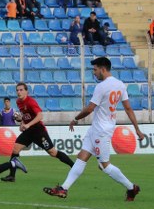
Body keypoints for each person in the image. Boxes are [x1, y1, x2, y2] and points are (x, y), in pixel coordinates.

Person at [43, 57, 145, 201]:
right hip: (96, 129)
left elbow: (90, 108)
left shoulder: (102, 86)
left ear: (103, 69)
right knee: (81, 158)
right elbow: (128, 108)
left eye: (95, 70)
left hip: (101, 131)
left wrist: (75, 119)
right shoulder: (120, 84)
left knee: (104, 166)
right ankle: (64, 188)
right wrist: (137, 129)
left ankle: (131, 187)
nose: (94, 73)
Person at [1, 82, 75, 182]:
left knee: (53, 152)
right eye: (17, 90)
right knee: (15, 149)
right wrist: (22, 123)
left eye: (21, 90)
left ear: (26, 91)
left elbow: (40, 116)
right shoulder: (19, 102)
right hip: (29, 131)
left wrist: (28, 124)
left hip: (38, 131)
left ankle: (74, 167)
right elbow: (25, 115)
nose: (19, 92)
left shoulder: (31, 102)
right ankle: (12, 176)